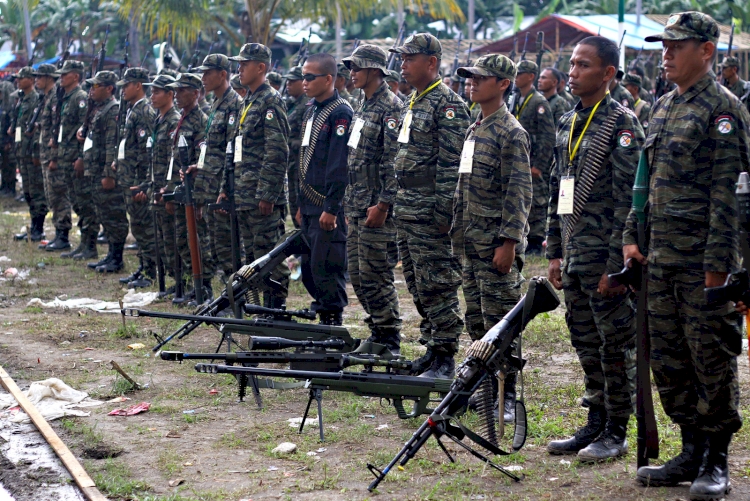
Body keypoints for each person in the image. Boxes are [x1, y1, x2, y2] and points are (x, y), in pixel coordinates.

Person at [625, 13, 747, 499]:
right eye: (664, 45)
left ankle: (716, 459)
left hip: (703, 264)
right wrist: (631, 238)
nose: (666, 53)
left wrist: (718, 271)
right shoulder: (661, 107)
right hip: (660, 262)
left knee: (710, 360)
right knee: (670, 362)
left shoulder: (724, 111)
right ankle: (690, 449)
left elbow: (730, 198)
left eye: (677, 46)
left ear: (707, 51)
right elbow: (643, 187)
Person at [546, 36, 643, 462]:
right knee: (584, 341)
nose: (573, 71)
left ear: (607, 74)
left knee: (614, 345)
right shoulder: (568, 120)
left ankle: (617, 429)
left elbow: (630, 202)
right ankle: (596, 419)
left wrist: (614, 266)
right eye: (571, 63)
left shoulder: (621, 127)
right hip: (573, 253)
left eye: (583, 65)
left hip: (603, 257)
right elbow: (558, 190)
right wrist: (554, 250)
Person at [453, 53, 532, 415]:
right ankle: (486, 387)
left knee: (502, 324)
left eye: (480, 78)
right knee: (477, 321)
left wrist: (509, 243)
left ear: (502, 84)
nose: (472, 83)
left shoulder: (511, 133)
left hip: (494, 244)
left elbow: (519, 192)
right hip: (471, 243)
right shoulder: (475, 127)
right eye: (470, 78)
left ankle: (508, 395)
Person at [389, 33, 469, 378]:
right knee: (417, 283)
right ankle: (432, 348)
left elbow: (452, 167)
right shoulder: (415, 101)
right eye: (402, 59)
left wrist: (442, 215)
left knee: (438, 282)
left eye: (409, 59)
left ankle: (446, 356)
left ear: (431, 63)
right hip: (408, 208)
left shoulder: (447, 105)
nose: (402, 66)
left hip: (429, 212)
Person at [342, 44, 404, 354]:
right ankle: (377, 330)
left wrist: (384, 204)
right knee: (357, 273)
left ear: (374, 70)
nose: (351, 73)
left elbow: (394, 161)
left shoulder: (391, 107)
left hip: (376, 207)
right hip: (356, 205)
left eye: (356, 67)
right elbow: (354, 158)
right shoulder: (362, 105)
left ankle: (389, 337)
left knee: (375, 271)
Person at [224, 43, 290, 309]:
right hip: (245, 193)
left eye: (244, 63)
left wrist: (268, 194)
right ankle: (261, 312)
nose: (239, 68)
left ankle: (275, 312)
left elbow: (277, 151)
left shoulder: (271, 100)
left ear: (260, 67)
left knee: (269, 259)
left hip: (261, 196)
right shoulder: (248, 101)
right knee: (252, 258)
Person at [295, 52, 352, 325]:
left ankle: (333, 322)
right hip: (309, 204)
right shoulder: (311, 109)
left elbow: (338, 164)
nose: (304, 82)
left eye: (310, 77)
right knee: (309, 269)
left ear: (328, 79)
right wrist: (299, 203)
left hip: (326, 206)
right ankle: (323, 319)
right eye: (302, 76)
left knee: (327, 267)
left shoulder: (340, 112)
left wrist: (331, 207)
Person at [166, 73, 215, 305]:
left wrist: (200, 197)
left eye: (181, 90)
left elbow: (203, 161)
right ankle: (192, 284)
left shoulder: (201, 121)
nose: (176, 95)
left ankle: (204, 287)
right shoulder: (182, 120)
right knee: (183, 240)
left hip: (195, 191)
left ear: (196, 93)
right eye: (175, 91)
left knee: (199, 240)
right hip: (182, 190)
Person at [194, 54, 243, 278]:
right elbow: (212, 147)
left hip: (224, 185)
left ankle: (237, 297)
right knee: (216, 244)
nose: (203, 78)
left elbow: (232, 152)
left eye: (207, 73)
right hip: (211, 182)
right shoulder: (216, 103)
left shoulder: (234, 105)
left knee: (228, 246)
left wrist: (227, 188)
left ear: (223, 74)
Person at [79, 71, 129, 273]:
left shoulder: (112, 110)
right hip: (95, 169)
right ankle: (110, 254)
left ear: (109, 88)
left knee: (113, 215)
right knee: (104, 214)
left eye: (96, 86)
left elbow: (112, 145)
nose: (91, 90)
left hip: (104, 172)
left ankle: (117, 258)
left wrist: (109, 173)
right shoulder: (99, 109)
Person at [115, 67, 157, 287]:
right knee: (138, 226)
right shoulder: (133, 109)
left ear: (138, 85)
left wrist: (143, 184)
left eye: (127, 84)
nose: (123, 89)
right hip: (129, 179)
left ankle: (151, 271)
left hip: (138, 182)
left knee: (144, 226)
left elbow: (148, 152)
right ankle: (144, 266)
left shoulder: (145, 112)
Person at [41, 60, 88, 252]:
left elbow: (84, 131)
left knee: (70, 198)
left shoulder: (80, 98)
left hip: (71, 157)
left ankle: (74, 238)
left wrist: (80, 157)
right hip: (61, 155)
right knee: (59, 195)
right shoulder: (64, 98)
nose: (61, 77)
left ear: (75, 76)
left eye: (65, 74)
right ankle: (63, 235)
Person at [513, 60, 555, 255]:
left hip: (534, 160)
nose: (516, 77)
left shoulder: (539, 102)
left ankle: (537, 240)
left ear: (530, 76)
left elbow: (548, 136)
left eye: (520, 74)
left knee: (537, 200)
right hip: (521, 159)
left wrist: (540, 164)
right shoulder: (516, 99)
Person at [144, 74, 180, 294]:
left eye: (157, 92)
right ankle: (171, 278)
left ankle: (179, 279)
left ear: (170, 94)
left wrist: (169, 188)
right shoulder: (159, 119)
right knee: (163, 237)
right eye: (152, 91)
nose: (153, 96)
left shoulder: (174, 120)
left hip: (166, 188)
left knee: (172, 237)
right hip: (156, 185)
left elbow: (173, 160)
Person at [10, 67, 45, 242]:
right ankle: (33, 226)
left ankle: (39, 228)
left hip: (31, 152)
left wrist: (35, 152)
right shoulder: (21, 99)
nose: (18, 80)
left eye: (22, 77)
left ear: (31, 80)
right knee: (28, 191)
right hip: (21, 150)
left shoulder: (36, 100)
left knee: (37, 191)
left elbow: (37, 129)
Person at [26, 64, 58, 241]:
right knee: (44, 194)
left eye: (39, 77)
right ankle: (38, 227)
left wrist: (53, 156)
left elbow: (56, 129)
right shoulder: (44, 98)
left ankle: (61, 235)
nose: (36, 80)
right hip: (42, 152)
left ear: (49, 78)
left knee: (56, 197)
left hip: (52, 155)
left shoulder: (54, 98)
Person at [283, 65, 306, 228]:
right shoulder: (291, 104)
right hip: (291, 162)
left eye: (292, 82)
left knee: (301, 203)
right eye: (287, 82)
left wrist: (290, 143)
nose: (288, 85)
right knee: (293, 202)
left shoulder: (307, 105)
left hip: (301, 163)